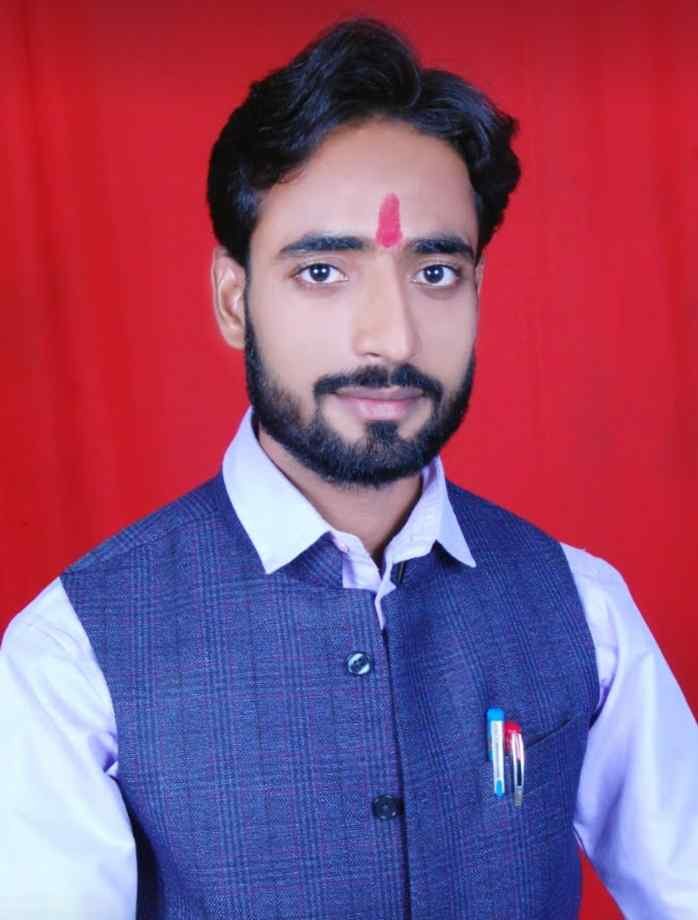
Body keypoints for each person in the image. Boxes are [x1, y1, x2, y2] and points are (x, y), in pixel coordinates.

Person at [1, 17, 696, 920]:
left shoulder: (582, 610)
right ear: (234, 300)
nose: (391, 338)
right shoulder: (73, 654)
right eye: (324, 271)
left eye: (435, 273)